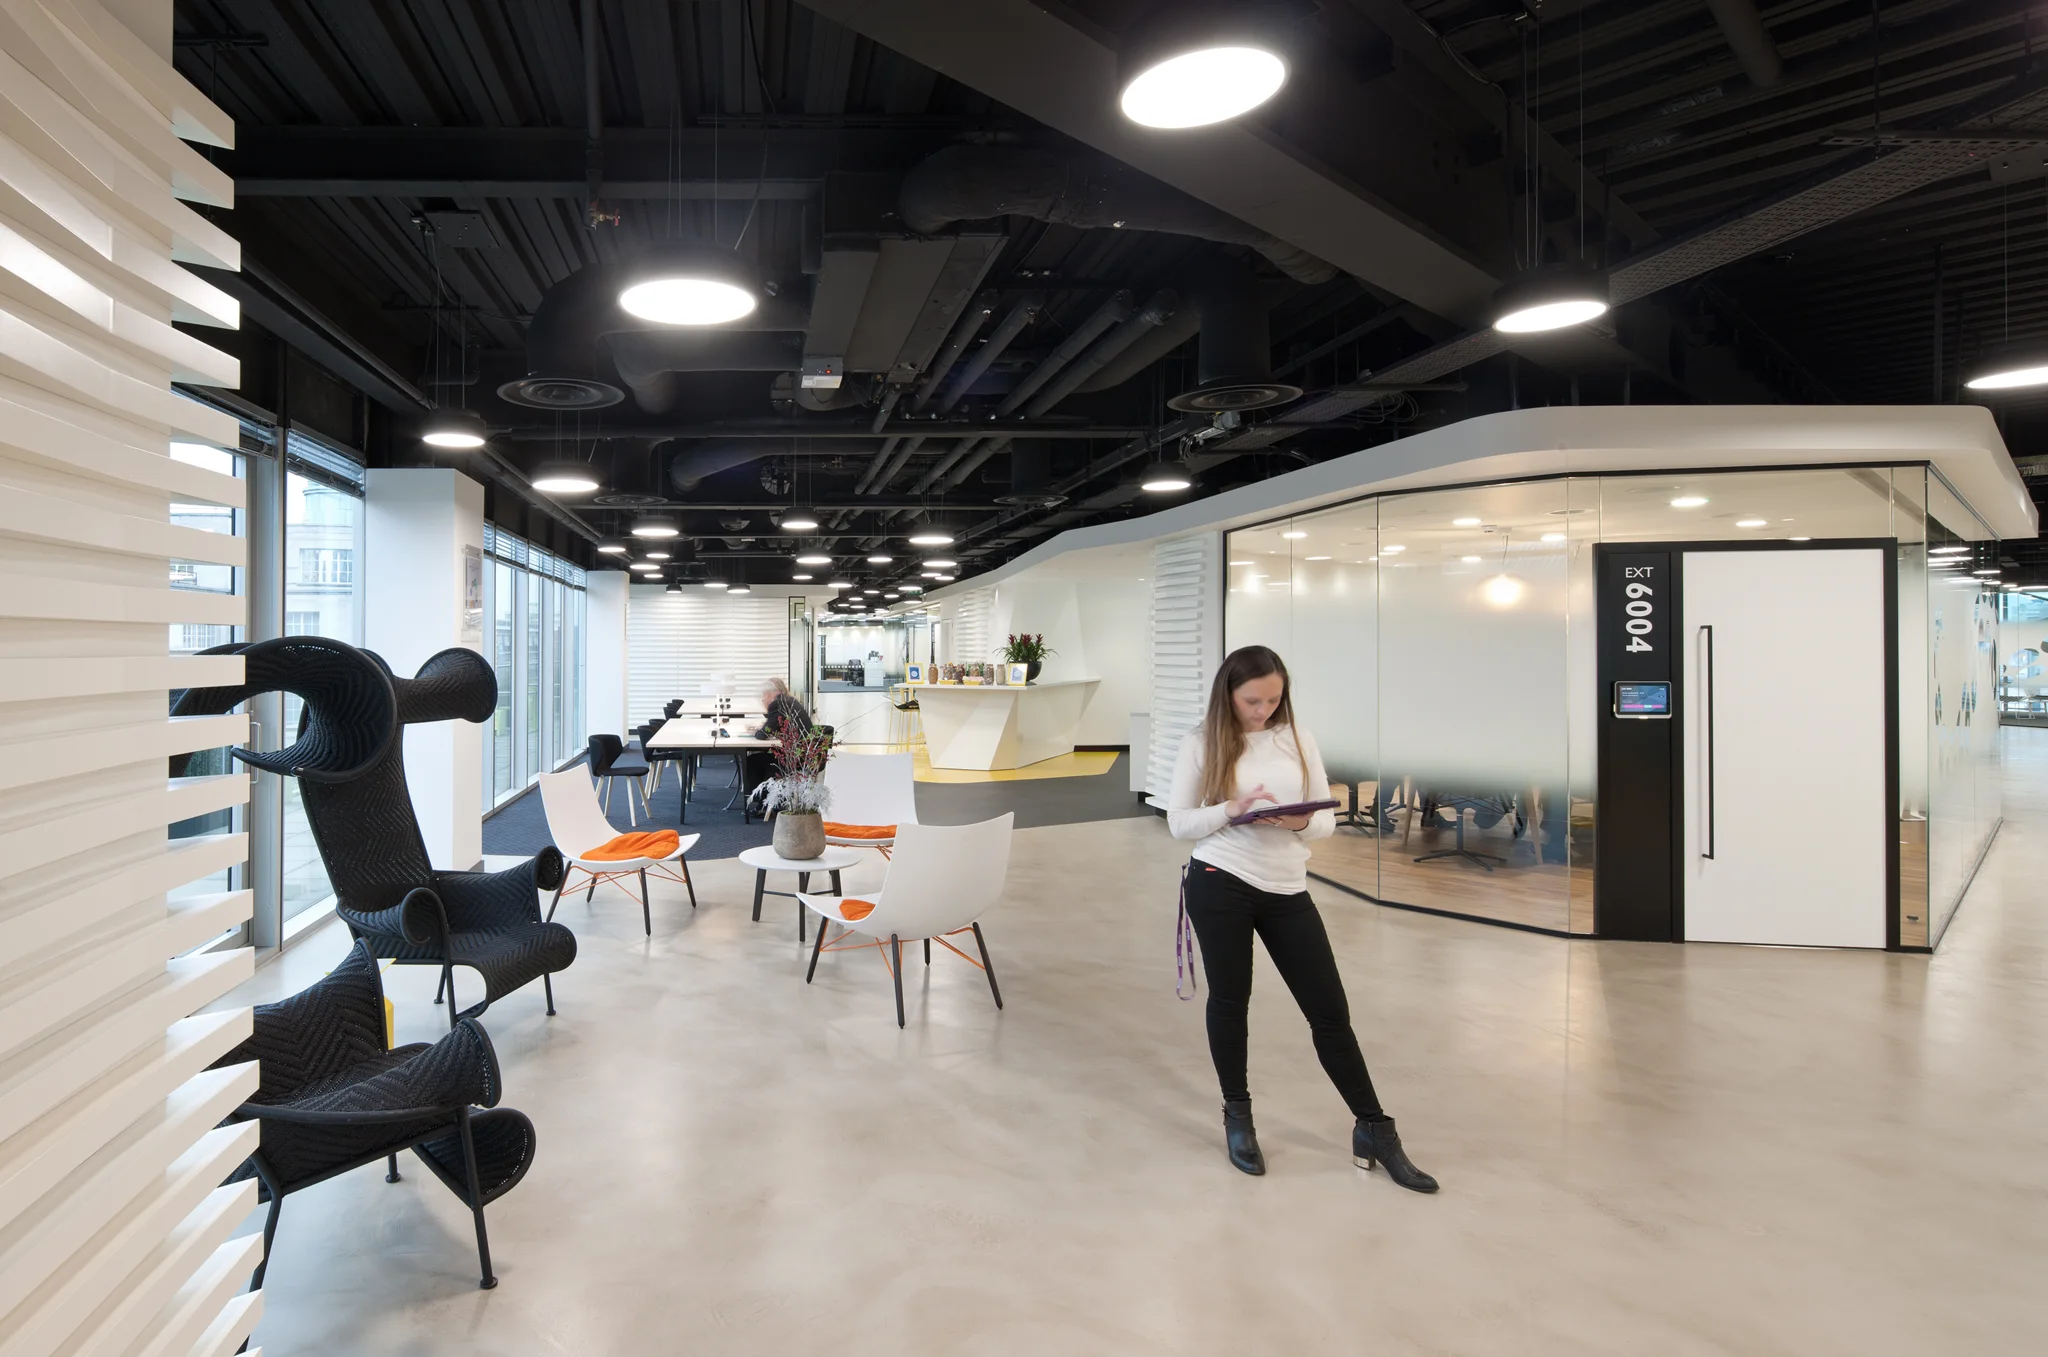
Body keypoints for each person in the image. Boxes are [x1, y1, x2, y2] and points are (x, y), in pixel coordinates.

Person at [1167, 645, 1437, 1192]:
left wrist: (1294, 824)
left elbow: (1324, 823)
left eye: (1273, 698)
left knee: (1330, 1013)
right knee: (1231, 1001)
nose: (1264, 709)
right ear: (1228, 694)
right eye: (1252, 700)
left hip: (1288, 885)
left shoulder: (1299, 738)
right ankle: (1238, 1117)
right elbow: (1179, 823)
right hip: (1220, 882)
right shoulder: (1202, 742)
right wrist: (1232, 811)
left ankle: (1375, 1128)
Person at [744, 677, 813, 791]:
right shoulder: (788, 700)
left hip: (795, 758)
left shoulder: (777, 703)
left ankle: (762, 801)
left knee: (752, 761)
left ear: (766, 694)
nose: (763, 701)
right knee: (761, 757)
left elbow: (763, 735)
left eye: (762, 698)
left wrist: (755, 731)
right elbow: (774, 726)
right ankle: (766, 802)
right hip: (805, 753)